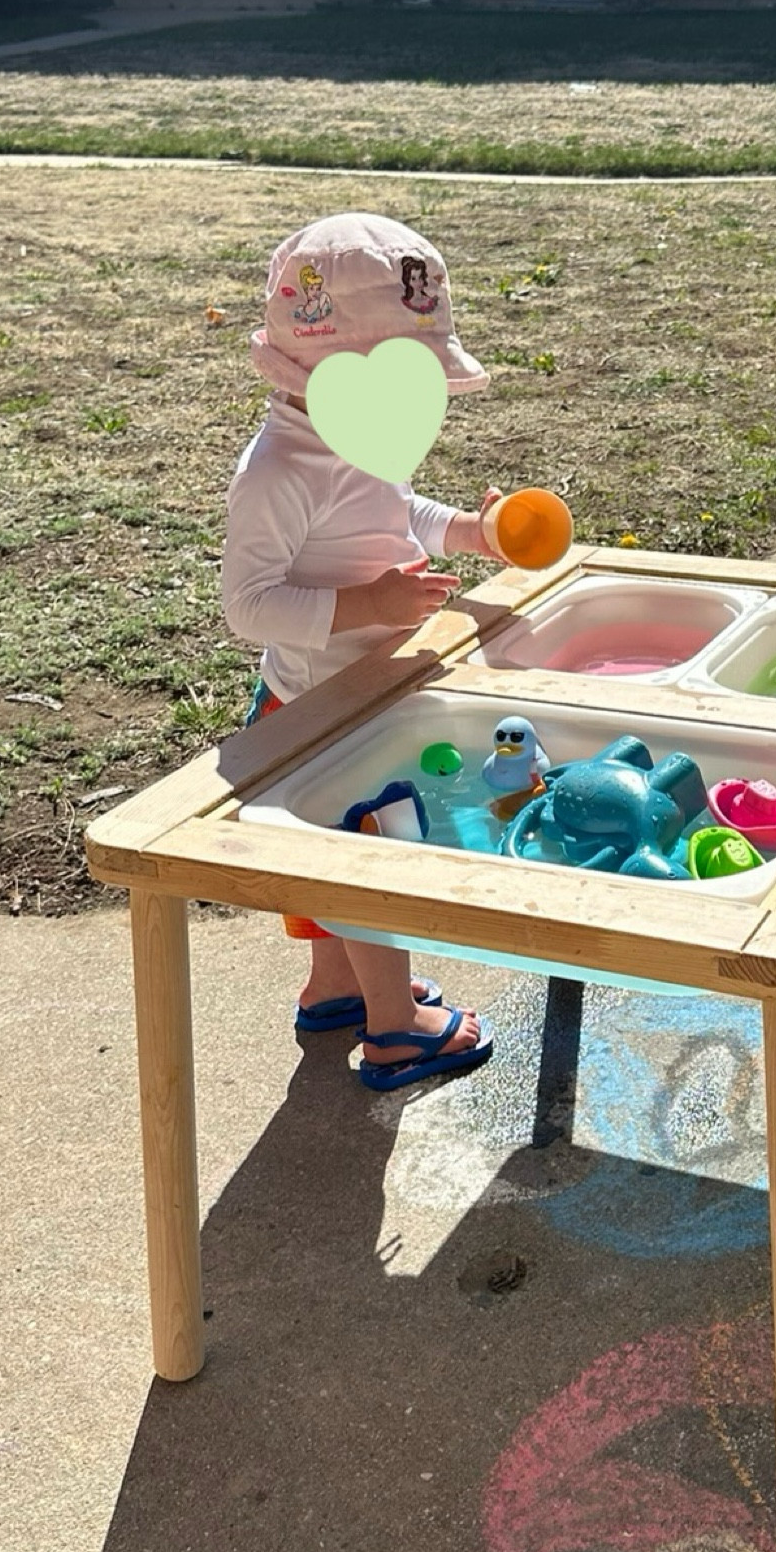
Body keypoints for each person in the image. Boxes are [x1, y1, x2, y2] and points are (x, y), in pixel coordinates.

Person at [222, 211, 503, 1092]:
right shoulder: (278, 473)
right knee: (370, 859)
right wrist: (368, 602)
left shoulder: (356, 436)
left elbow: (398, 513)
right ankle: (397, 1027)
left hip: (366, 693)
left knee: (337, 855)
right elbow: (247, 606)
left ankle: (336, 986)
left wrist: (470, 529)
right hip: (320, 708)